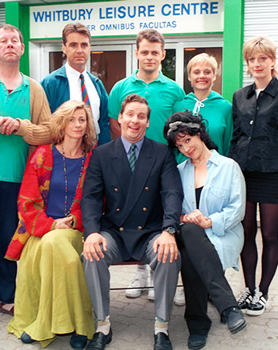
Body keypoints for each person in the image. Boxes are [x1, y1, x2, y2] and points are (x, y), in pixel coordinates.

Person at [81, 94, 183, 350]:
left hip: (150, 231)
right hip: (114, 231)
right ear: (120, 118)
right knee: (92, 253)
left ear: (148, 122)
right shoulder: (102, 154)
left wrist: (169, 231)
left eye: (141, 116)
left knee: (168, 254)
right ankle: (102, 325)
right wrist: (92, 232)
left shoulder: (162, 153)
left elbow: (172, 193)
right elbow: (91, 197)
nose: (135, 121)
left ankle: (162, 326)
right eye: (130, 115)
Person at [5, 100, 96, 349]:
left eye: (82, 119)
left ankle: (60, 324)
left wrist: (74, 219)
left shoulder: (94, 157)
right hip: (42, 228)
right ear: (61, 123)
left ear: (88, 125)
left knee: (57, 247)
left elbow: (99, 198)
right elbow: (26, 201)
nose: (77, 124)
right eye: (71, 119)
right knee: (48, 249)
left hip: (78, 229)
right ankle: (75, 324)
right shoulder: (43, 154)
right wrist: (50, 225)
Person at [0, 24, 51, 331]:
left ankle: (5, 296)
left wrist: (23, 127)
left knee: (11, 239)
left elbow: (48, 131)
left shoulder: (34, 89)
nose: (10, 45)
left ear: (22, 49)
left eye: (15, 41)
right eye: (3, 41)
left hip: (17, 179)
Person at [108, 29, 185, 301]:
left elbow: (179, 131)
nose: (149, 56)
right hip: (130, 166)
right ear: (137, 53)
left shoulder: (175, 89)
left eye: (155, 52)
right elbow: (114, 125)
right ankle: (140, 273)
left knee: (161, 216)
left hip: (164, 166)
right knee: (134, 218)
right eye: (145, 51)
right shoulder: (121, 87)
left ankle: (162, 277)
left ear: (163, 55)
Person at [164, 111, 247, 350]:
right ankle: (228, 307)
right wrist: (186, 217)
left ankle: (198, 323)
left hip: (223, 233)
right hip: (191, 235)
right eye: (179, 145)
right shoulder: (179, 172)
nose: (185, 148)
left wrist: (209, 221)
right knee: (190, 232)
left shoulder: (228, 167)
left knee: (191, 250)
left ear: (199, 133)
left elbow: (237, 210)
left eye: (187, 140)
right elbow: (172, 210)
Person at [228, 35, 278, 316]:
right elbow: (236, 136)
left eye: (263, 58)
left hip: (274, 174)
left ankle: (264, 292)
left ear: (273, 61)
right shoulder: (240, 96)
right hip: (244, 175)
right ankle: (248, 289)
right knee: (246, 233)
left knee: (270, 234)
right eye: (252, 59)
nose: (257, 63)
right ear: (247, 63)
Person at [41, 22, 110, 145]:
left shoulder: (97, 84)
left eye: (84, 45)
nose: (79, 50)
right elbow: (44, 124)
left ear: (89, 48)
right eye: (73, 45)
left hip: (95, 152)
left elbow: (104, 124)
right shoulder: (50, 84)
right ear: (64, 48)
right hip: (64, 155)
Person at [173, 53, 232, 163]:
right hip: (183, 171)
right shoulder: (178, 106)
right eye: (196, 72)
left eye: (207, 72)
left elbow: (228, 144)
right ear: (189, 77)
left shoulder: (225, 108)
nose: (202, 76)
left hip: (215, 171)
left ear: (214, 75)